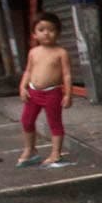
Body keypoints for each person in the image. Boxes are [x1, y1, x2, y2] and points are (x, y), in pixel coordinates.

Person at [16, 13, 75, 168]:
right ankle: (30, 149)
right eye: (41, 29)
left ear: (58, 33)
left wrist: (68, 94)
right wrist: (23, 86)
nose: (46, 33)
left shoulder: (61, 53)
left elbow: (67, 75)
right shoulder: (33, 52)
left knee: (54, 123)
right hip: (33, 92)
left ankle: (56, 152)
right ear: (34, 34)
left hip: (52, 92)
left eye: (51, 30)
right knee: (26, 120)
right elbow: (28, 71)